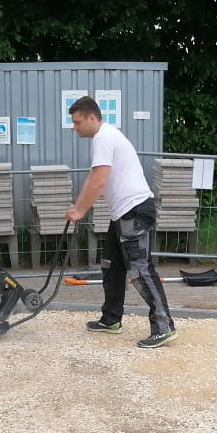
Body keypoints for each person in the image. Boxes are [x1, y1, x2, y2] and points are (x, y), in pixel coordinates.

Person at [64, 96, 178, 349]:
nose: (74, 127)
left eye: (77, 122)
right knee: (112, 267)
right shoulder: (106, 136)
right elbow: (94, 177)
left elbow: (99, 180)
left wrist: (80, 211)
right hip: (123, 213)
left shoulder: (103, 137)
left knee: (139, 269)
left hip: (133, 210)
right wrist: (77, 207)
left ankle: (164, 326)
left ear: (92, 117)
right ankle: (111, 319)